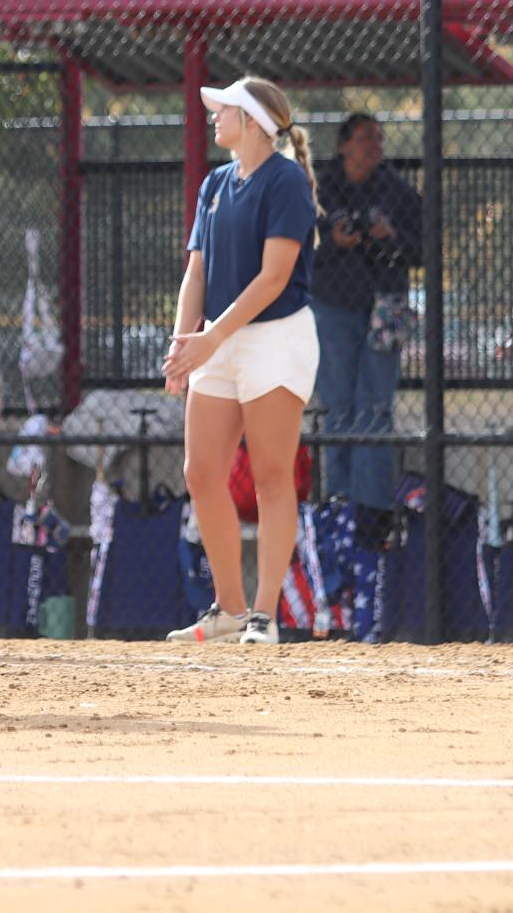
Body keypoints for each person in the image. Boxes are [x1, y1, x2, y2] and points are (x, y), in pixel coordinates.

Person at [161, 77, 321, 646]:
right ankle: (228, 611)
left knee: (272, 477)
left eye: (222, 110)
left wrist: (211, 338)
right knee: (201, 473)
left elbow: (274, 278)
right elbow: (197, 272)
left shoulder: (286, 181)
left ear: (251, 121)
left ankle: (262, 616)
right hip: (217, 342)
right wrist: (186, 344)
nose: (213, 118)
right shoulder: (215, 183)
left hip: (275, 338)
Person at [308, 113, 421, 510]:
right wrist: (333, 240)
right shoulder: (318, 186)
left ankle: (372, 508)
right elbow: (295, 247)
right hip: (333, 307)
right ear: (343, 145)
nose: (373, 145)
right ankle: (338, 502)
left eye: (379, 137)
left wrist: (390, 238)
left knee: (374, 406)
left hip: (384, 307)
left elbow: (422, 248)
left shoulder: (397, 192)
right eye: (364, 138)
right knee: (338, 404)